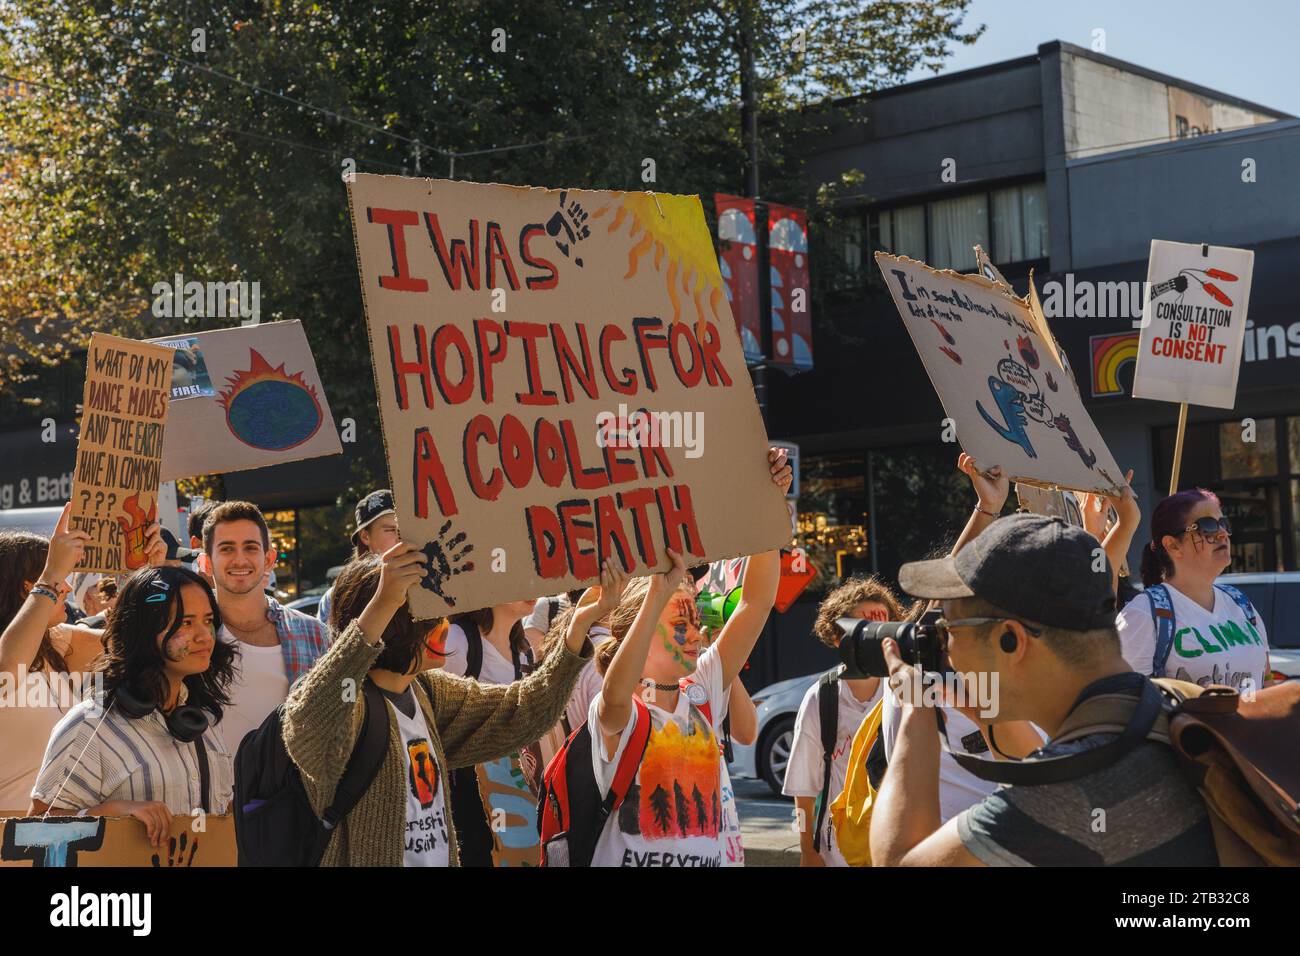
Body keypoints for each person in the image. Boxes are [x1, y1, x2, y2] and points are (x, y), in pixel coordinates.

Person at [869, 512, 1220, 866]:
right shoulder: (1171, 707)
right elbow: (1037, 757)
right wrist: (980, 707)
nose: (946, 651)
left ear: (1011, 640)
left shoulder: (1060, 793)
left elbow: (898, 862)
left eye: (948, 631)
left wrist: (917, 709)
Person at [284, 542, 600, 866]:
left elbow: (524, 710)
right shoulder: (347, 702)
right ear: (395, 621)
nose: (444, 625)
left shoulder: (428, 692)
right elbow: (312, 726)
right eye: (429, 615)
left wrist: (577, 630)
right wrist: (383, 601)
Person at [587, 446, 791, 867]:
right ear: (634, 631)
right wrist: (659, 591)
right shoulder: (618, 709)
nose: (697, 635)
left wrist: (765, 504)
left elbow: (756, 602)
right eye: (681, 624)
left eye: (696, 621)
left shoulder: (702, 688)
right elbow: (615, 697)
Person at [31, 565, 238, 848]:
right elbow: (35, 836)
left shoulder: (202, 722)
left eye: (208, 620)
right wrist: (110, 814)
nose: (204, 635)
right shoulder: (89, 725)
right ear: (143, 632)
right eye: (186, 623)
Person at [0, 505, 144, 810]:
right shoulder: (13, 654)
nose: (66, 586)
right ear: (28, 588)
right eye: (59, 576)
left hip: (55, 844)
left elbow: (134, 644)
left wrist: (143, 572)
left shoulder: (56, 643)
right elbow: (8, 666)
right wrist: (50, 576)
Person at [783, 576, 901, 866]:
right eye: (864, 629)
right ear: (838, 636)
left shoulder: (904, 692)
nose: (876, 639)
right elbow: (803, 788)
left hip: (895, 843)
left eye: (883, 628)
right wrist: (807, 849)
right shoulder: (822, 698)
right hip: (836, 853)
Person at [203, 500, 329, 754]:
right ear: (207, 564)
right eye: (227, 549)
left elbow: (345, 697)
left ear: (269, 559)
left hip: (292, 791)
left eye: (250, 547)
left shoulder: (314, 633)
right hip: (206, 792)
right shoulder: (186, 634)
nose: (240, 559)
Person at [1117, 488, 1270, 692]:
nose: (1222, 533)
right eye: (1207, 526)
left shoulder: (1240, 603)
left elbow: (1266, 681)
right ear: (1173, 545)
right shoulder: (1143, 615)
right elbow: (1127, 702)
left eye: (1224, 524)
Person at [440, 597, 542, 866]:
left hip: (515, 799)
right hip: (469, 803)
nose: (530, 587)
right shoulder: (457, 642)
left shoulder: (523, 650)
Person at [318, 489, 401, 627]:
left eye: (402, 529)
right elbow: (329, 647)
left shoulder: (426, 584)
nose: (400, 536)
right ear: (365, 536)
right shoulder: (338, 596)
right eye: (391, 530)